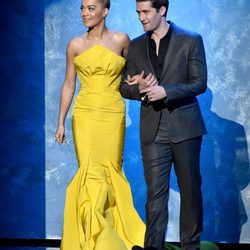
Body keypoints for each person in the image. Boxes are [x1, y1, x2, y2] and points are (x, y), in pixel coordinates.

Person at [54, 0, 145, 249]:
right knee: (90, 173)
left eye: (91, 8)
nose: (85, 13)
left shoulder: (122, 40)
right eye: (82, 8)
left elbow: (131, 76)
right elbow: (68, 84)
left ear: (105, 11)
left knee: (110, 172)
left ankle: (112, 237)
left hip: (112, 112)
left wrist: (138, 81)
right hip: (84, 114)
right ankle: (92, 240)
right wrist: (60, 121)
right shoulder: (75, 44)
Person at [120, 1, 207, 250]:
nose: (141, 17)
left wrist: (165, 91)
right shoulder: (136, 46)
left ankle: (190, 246)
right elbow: (124, 87)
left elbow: (199, 82)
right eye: (138, 12)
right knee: (155, 197)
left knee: (190, 193)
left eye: (146, 12)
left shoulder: (191, 40)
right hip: (153, 129)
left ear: (162, 10)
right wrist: (140, 88)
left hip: (185, 127)